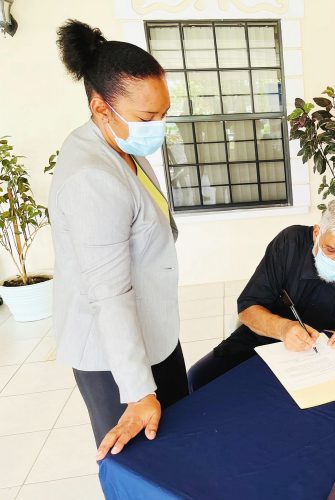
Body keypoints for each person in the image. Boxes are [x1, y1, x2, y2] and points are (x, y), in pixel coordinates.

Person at [51, 20, 188, 460]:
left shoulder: (120, 146)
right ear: (100, 107)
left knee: (182, 444)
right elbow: (109, 295)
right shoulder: (92, 177)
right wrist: (136, 391)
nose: (159, 127)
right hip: (114, 357)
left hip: (153, 332)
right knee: (142, 463)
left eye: (164, 114)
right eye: (148, 117)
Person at [187, 200, 335, 391]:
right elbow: (247, 309)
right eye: (331, 250)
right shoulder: (289, 243)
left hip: (330, 366)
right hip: (265, 344)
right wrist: (283, 329)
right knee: (200, 377)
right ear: (317, 232)